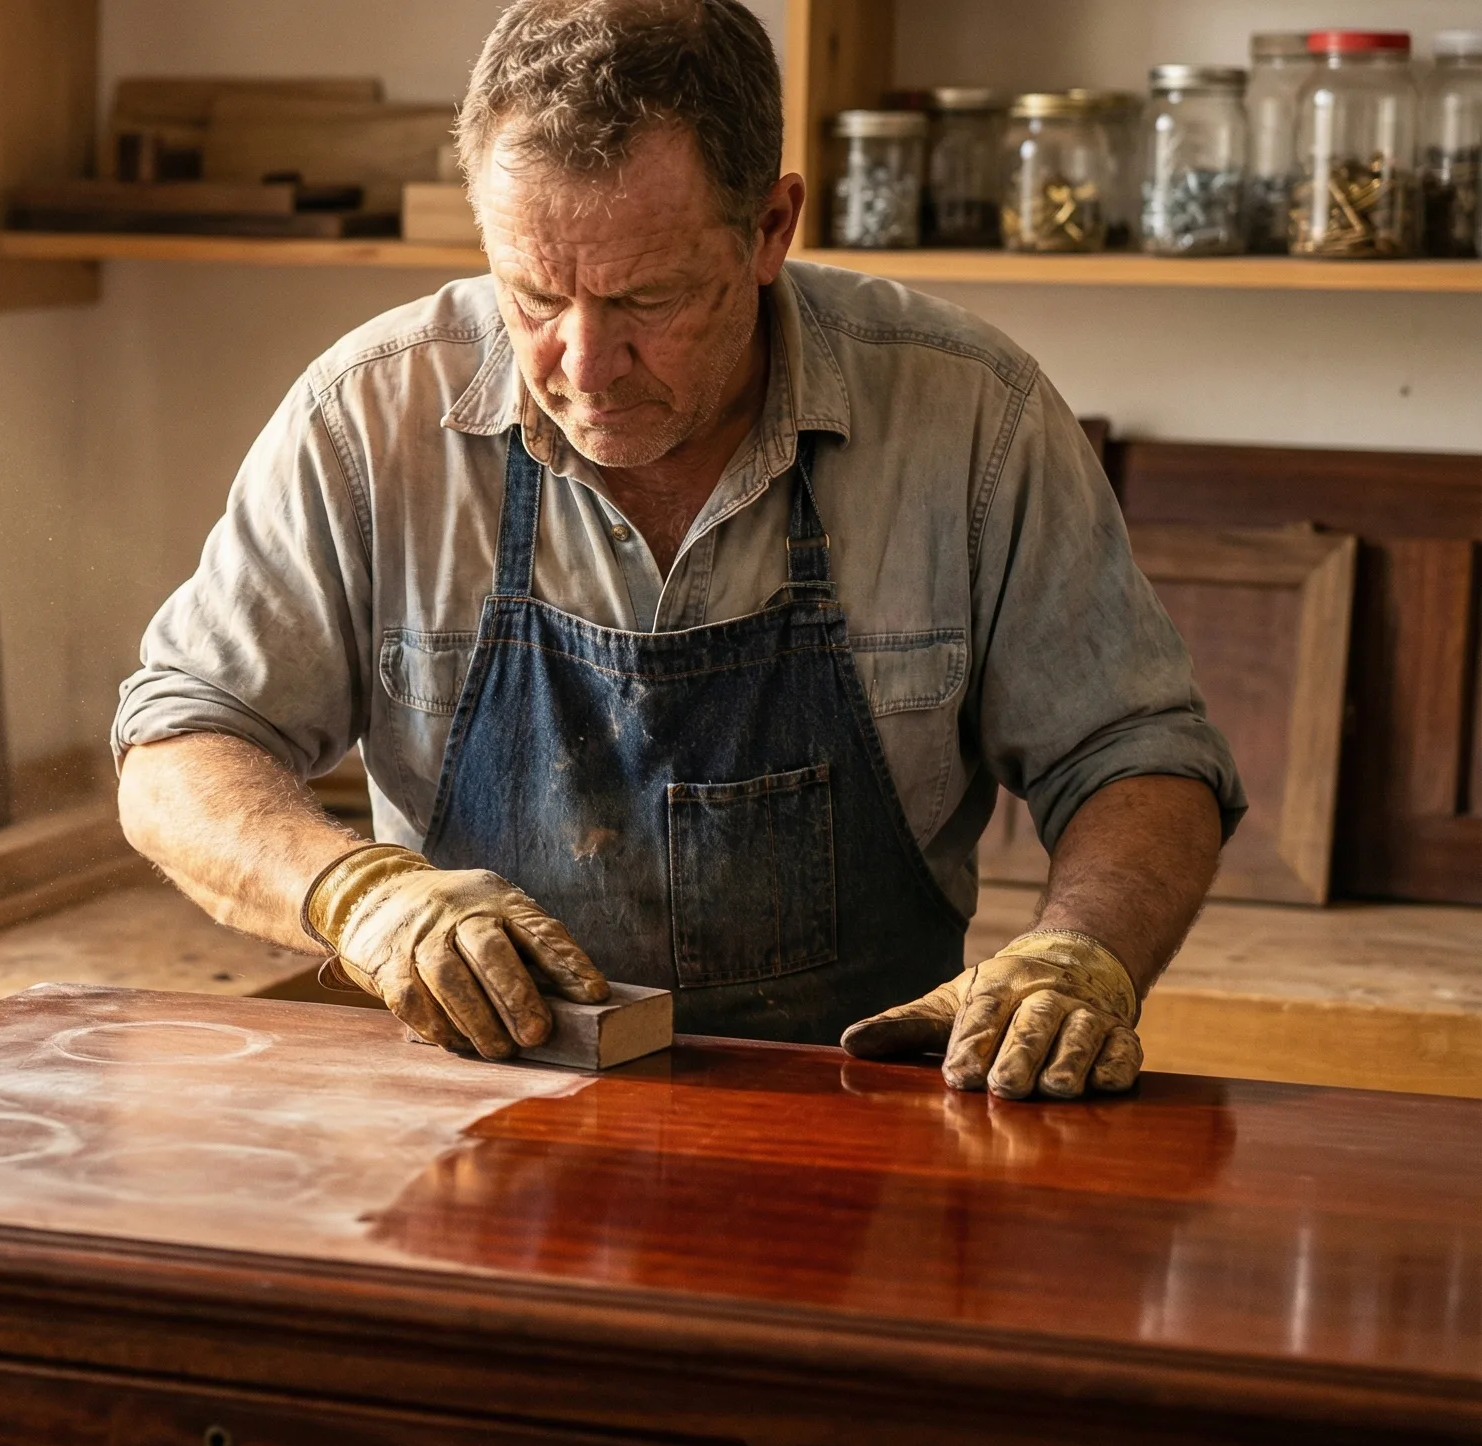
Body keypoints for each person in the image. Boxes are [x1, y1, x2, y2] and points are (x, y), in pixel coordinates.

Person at [112, 0, 1242, 1101]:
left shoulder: (968, 418)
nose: (584, 365)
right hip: (483, 1117)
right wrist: (357, 895)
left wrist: (1079, 954)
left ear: (769, 228)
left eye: (646, 298)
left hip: (863, 1127)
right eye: (535, 295)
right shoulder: (369, 417)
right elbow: (179, 746)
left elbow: (1134, 752)